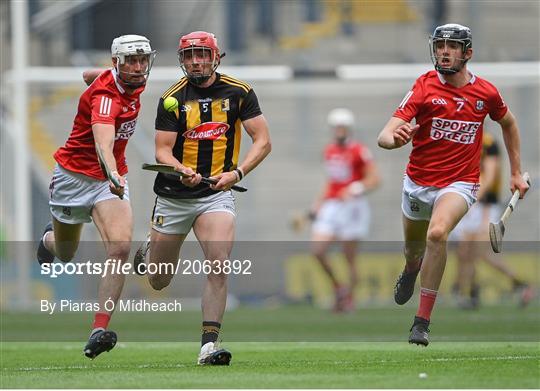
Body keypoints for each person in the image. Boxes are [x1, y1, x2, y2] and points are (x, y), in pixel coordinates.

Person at [377, 23, 529, 346]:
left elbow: (509, 123)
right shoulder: (424, 86)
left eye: (452, 46)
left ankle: (422, 321)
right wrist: (395, 140)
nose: (444, 51)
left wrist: (516, 172)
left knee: (437, 233)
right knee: (413, 249)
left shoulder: (485, 93)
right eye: (440, 45)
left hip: (460, 182)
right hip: (418, 182)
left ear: (467, 53)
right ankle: (410, 269)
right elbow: (384, 135)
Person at [133, 31, 271, 365]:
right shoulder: (172, 98)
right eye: (190, 55)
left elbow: (263, 141)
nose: (196, 61)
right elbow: (162, 151)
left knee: (219, 263)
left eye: (202, 54)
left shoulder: (240, 92)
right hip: (174, 196)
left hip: (214, 195)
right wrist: (182, 169)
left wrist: (236, 174)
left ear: (216, 57)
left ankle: (208, 345)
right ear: (182, 60)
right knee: (159, 279)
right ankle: (152, 248)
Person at [36, 35, 156, 358]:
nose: (138, 66)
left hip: (108, 182)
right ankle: (48, 239)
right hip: (74, 179)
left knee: (119, 248)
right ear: (117, 62)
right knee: (65, 252)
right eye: (131, 60)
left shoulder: (129, 80)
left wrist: (93, 75)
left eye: (142, 59)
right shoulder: (106, 97)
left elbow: (89, 75)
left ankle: (98, 329)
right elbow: (104, 143)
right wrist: (113, 173)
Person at [452, 132, 535, 309]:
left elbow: (489, 178)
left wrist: (471, 200)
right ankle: (471, 293)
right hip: (470, 201)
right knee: (465, 251)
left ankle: (521, 284)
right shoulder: (461, 140)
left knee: (481, 252)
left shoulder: (488, 143)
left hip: (484, 205)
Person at [310, 108, 380, 312]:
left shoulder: (359, 150)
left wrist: (355, 188)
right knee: (318, 250)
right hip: (332, 205)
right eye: (336, 127)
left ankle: (348, 299)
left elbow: (374, 179)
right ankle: (338, 287)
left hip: (353, 208)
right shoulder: (329, 150)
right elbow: (330, 181)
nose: (339, 130)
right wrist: (317, 204)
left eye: (342, 126)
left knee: (349, 257)